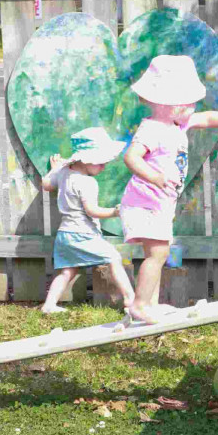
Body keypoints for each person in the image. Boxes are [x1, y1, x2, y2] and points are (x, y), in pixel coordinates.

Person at [120, 54, 218, 324]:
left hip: (159, 204)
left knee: (157, 253)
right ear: (171, 106)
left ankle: (149, 304)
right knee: (158, 253)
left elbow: (208, 118)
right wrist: (156, 177)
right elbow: (131, 158)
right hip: (143, 202)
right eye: (189, 104)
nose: (194, 107)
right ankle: (139, 305)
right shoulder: (151, 129)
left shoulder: (178, 123)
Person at [41, 127, 134, 314]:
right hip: (81, 233)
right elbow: (92, 211)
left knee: (68, 271)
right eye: (101, 163)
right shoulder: (88, 183)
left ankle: (49, 305)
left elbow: (46, 185)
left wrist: (54, 169)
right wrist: (115, 212)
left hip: (65, 234)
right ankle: (130, 299)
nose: (104, 167)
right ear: (86, 159)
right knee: (114, 258)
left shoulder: (64, 173)